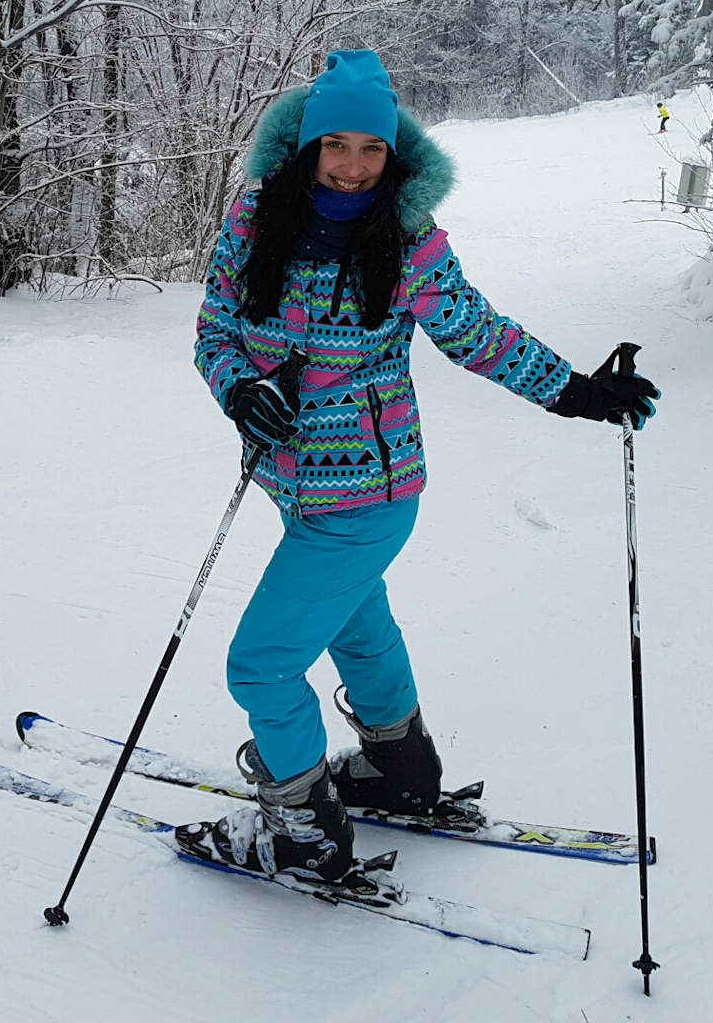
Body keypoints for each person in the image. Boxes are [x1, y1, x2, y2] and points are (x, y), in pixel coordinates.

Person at [175, 49, 660, 885]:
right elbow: (213, 333)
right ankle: (402, 775)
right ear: (308, 146)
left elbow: (479, 333)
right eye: (338, 146)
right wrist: (239, 391)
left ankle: (303, 834)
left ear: (393, 154)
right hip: (291, 487)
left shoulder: (406, 239)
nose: (355, 167)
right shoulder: (254, 219)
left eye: (373, 149)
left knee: (261, 663)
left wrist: (575, 391)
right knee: (360, 627)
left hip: (370, 493)